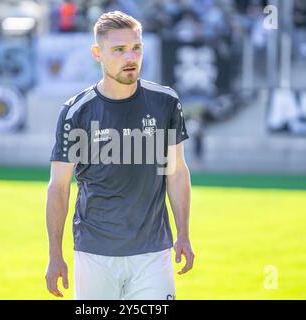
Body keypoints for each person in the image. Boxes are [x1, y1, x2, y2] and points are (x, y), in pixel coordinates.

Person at [45, 10, 194, 300]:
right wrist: (55, 254)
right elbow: (59, 187)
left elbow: (176, 172)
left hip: (153, 254)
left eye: (136, 48)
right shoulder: (77, 112)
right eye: (119, 50)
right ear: (97, 53)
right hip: (94, 254)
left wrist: (184, 234)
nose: (131, 57)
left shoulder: (165, 102)